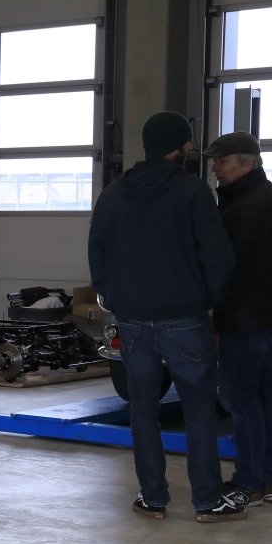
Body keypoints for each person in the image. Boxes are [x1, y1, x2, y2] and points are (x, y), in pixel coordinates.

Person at [88, 111, 242, 522]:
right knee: (198, 407)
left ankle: (153, 498)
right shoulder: (192, 191)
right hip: (184, 317)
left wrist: (117, 299)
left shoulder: (113, 195)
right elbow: (217, 256)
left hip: (133, 319)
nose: (191, 148)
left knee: (142, 407)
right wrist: (206, 299)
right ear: (179, 146)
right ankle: (207, 500)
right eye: (188, 142)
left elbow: (97, 255)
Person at [207, 131, 272, 509]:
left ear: (250, 163)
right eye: (215, 161)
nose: (216, 168)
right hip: (265, 316)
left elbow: (229, 265)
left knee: (243, 400)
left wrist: (208, 303)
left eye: (223, 161)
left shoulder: (248, 204)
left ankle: (249, 483)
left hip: (246, 318)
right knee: (264, 397)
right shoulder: (264, 195)